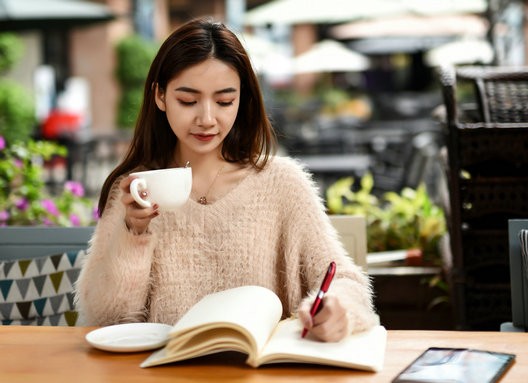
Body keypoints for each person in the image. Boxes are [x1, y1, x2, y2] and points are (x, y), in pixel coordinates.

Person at [75, 18, 378, 342]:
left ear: (242, 100)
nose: (206, 119)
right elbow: (107, 320)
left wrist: (337, 309)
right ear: (160, 96)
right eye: (188, 101)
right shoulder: (136, 189)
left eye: (224, 101)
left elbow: (347, 281)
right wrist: (133, 234)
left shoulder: (283, 185)